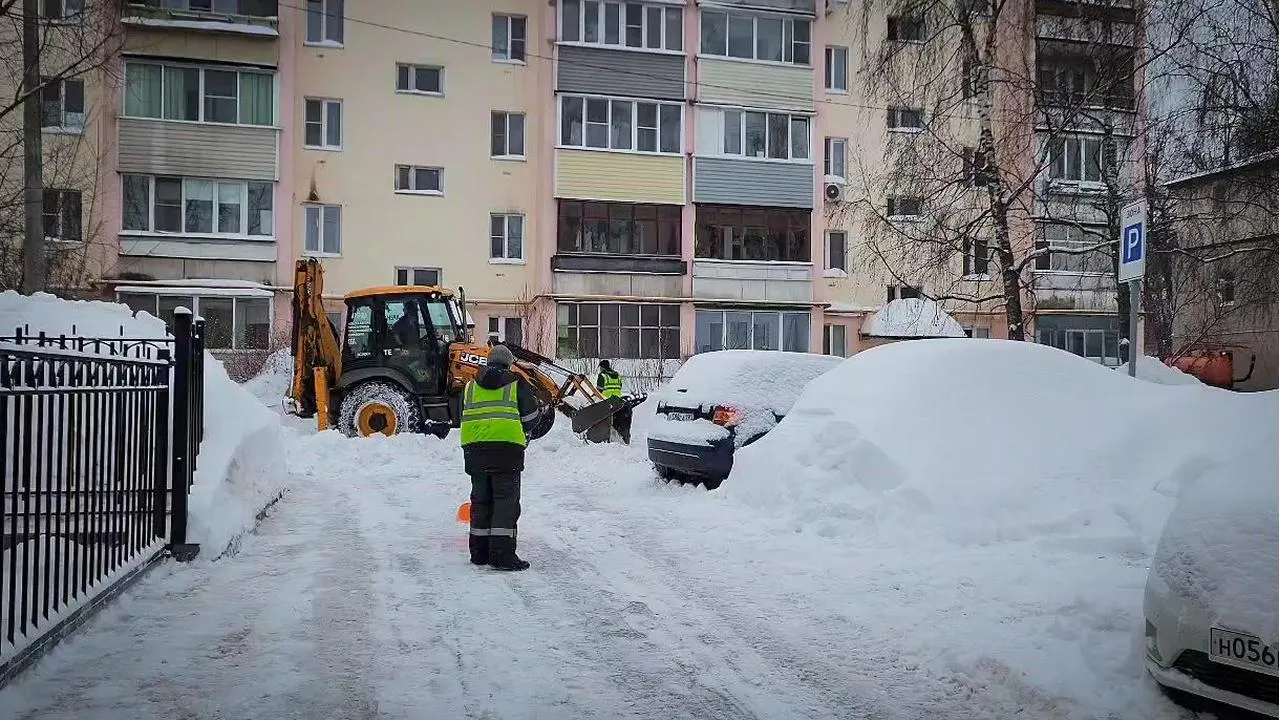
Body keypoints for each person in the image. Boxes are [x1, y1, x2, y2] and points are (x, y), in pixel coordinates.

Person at [460, 344, 540, 571]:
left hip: (475, 451)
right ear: (508, 363)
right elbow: (532, 417)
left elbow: (462, 415)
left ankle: (479, 553)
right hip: (507, 452)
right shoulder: (516, 383)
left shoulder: (470, 386)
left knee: (481, 501)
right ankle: (502, 555)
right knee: (505, 503)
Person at [597, 360, 632, 444]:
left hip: (606, 401)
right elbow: (619, 386)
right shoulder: (617, 375)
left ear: (602, 367)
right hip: (617, 402)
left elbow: (598, 390)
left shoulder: (602, 375)